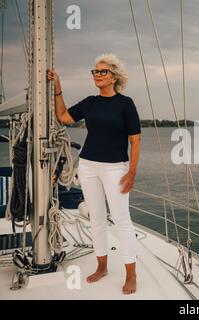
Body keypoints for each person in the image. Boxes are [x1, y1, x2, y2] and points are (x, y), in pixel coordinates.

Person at [47, 53, 141, 294]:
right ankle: (102, 267)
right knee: (97, 219)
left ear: (114, 77)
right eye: (95, 72)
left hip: (115, 168)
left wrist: (131, 173)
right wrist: (58, 89)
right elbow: (64, 117)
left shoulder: (125, 104)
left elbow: (135, 140)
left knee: (122, 221)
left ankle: (131, 274)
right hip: (88, 166)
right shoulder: (90, 102)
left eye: (102, 72)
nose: (97, 75)